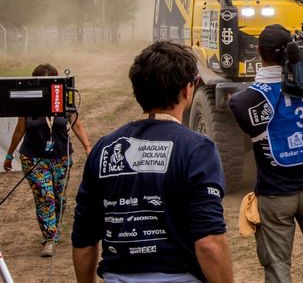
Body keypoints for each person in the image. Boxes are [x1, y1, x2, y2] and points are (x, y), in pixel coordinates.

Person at [71, 41, 235, 283]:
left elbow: (84, 239)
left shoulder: (104, 148)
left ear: (138, 90)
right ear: (187, 89)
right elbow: (209, 244)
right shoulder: (197, 149)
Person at [229, 24, 303, 283]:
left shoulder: (250, 98)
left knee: (278, 270)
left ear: (258, 52)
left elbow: (237, 103)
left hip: (275, 195)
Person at [2, 63, 91, 258]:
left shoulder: (64, 98)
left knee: (58, 197)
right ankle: (49, 238)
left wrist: (87, 147)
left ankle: (55, 229)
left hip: (60, 157)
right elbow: (19, 129)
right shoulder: (29, 102)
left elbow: (77, 125)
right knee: (45, 197)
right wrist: (9, 156)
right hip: (33, 157)